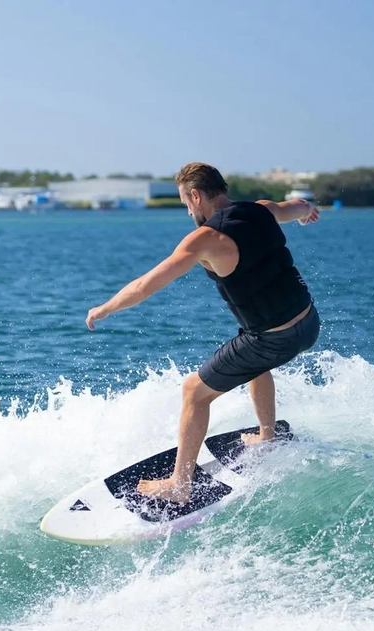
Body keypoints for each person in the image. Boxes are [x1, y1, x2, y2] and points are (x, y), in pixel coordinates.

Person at [85, 162, 321, 504]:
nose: (187, 209)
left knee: (194, 391)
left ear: (196, 196)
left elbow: (145, 286)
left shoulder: (205, 239)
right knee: (252, 353)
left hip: (272, 339)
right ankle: (267, 436)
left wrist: (104, 309)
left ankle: (180, 486)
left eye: (185, 202)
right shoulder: (261, 211)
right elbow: (297, 207)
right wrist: (308, 211)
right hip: (308, 323)